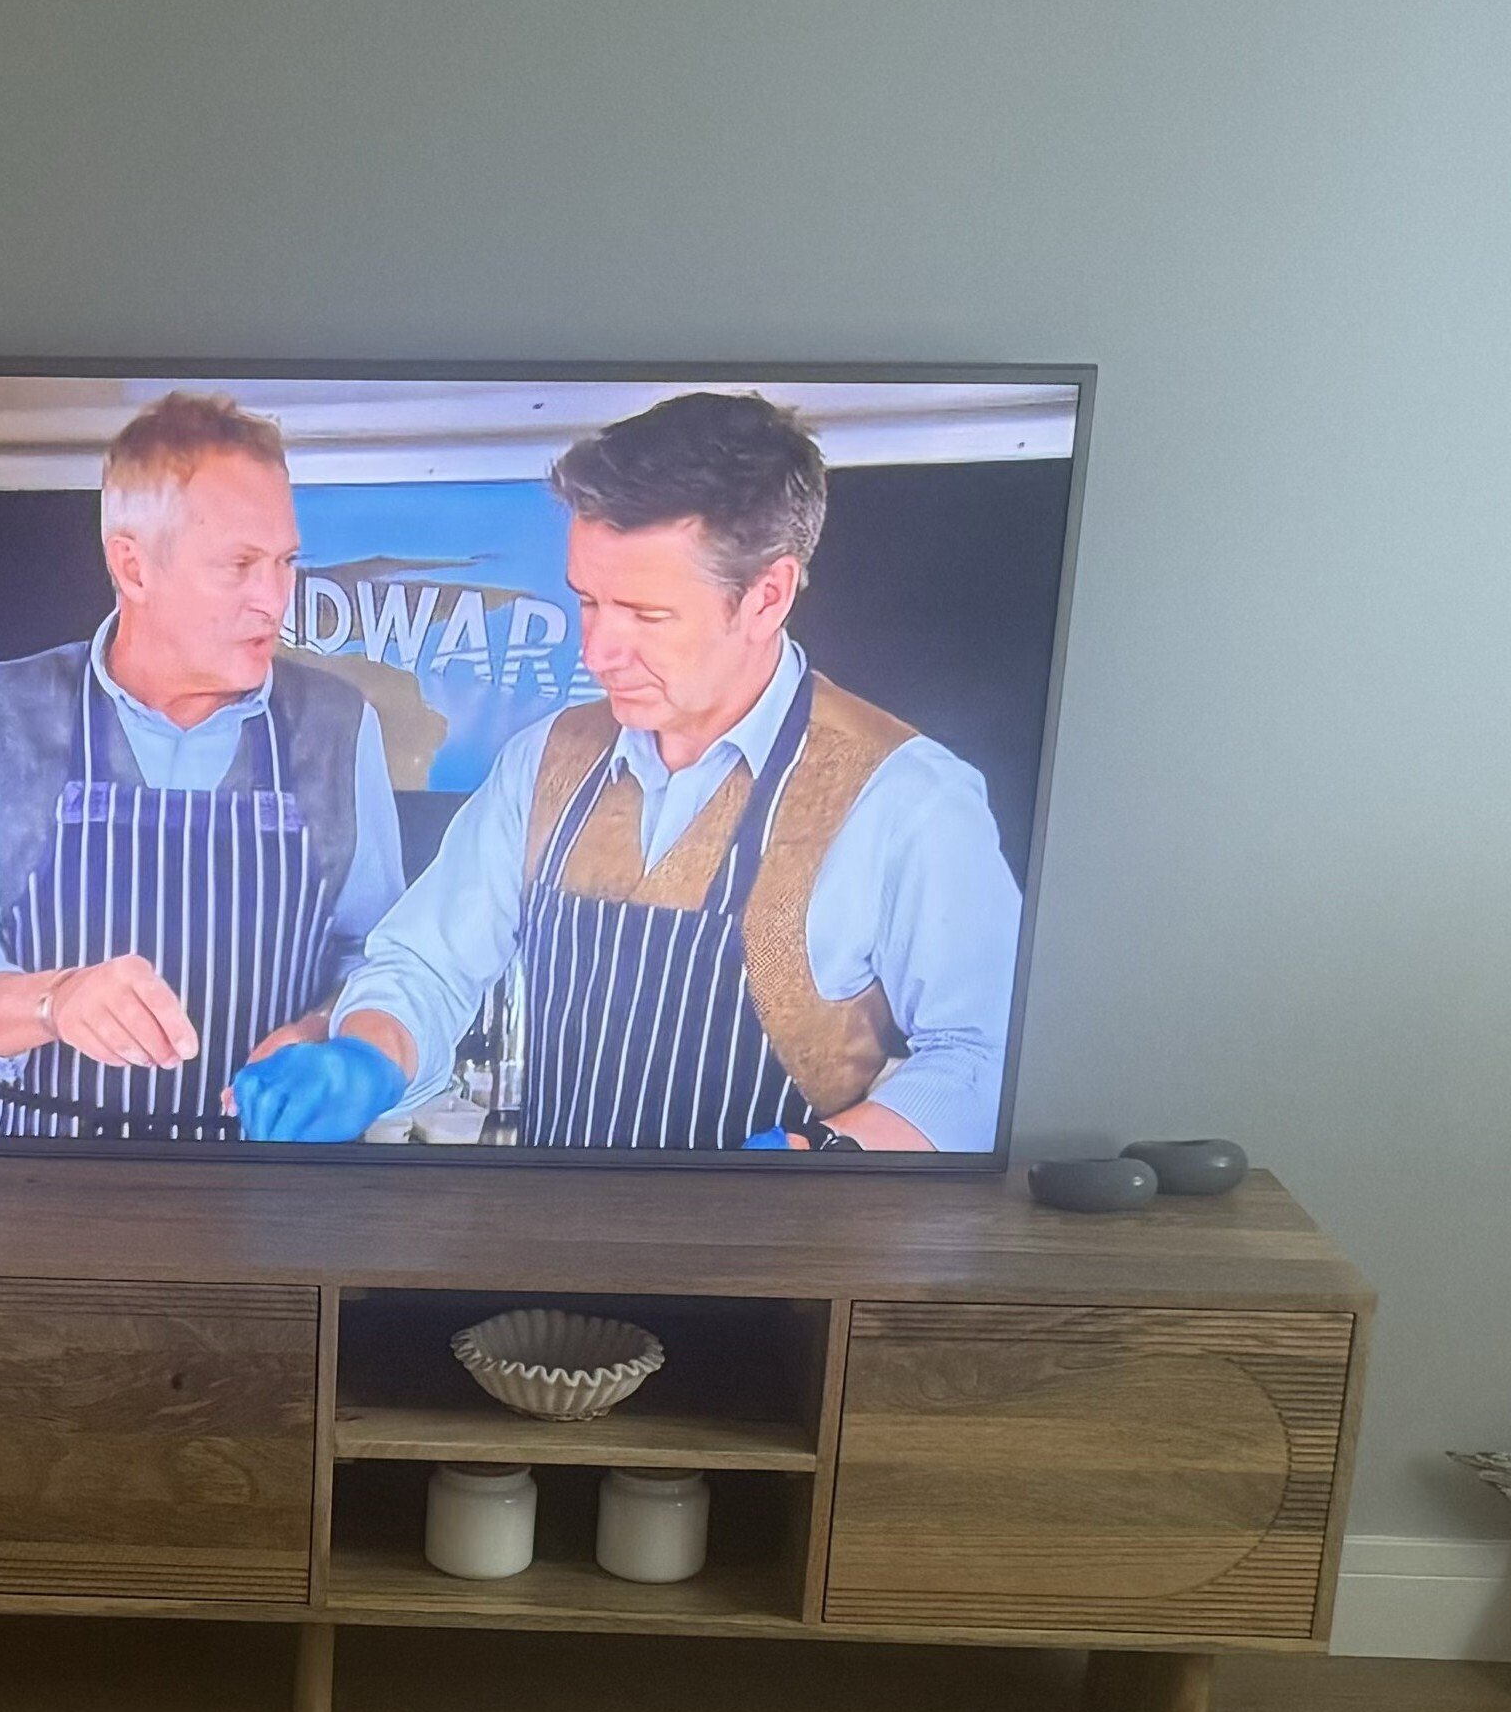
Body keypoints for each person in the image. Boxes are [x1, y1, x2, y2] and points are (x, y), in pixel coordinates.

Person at [231, 390, 1021, 1153]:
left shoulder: (906, 799)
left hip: (780, 1241)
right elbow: (427, 966)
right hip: (552, 1234)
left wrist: (823, 1157)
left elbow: (982, 1057)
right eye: (588, 602)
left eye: (646, 615)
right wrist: (368, 1057)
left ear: (767, 596)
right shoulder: (546, 761)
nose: (598, 651)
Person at [0, 392, 406, 1139]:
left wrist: (326, 1032)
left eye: (285, 563)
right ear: (133, 567)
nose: (274, 600)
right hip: (24, 1173)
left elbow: (381, 963)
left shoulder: (339, 730)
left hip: (257, 1179)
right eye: (239, 565)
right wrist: (54, 1001)